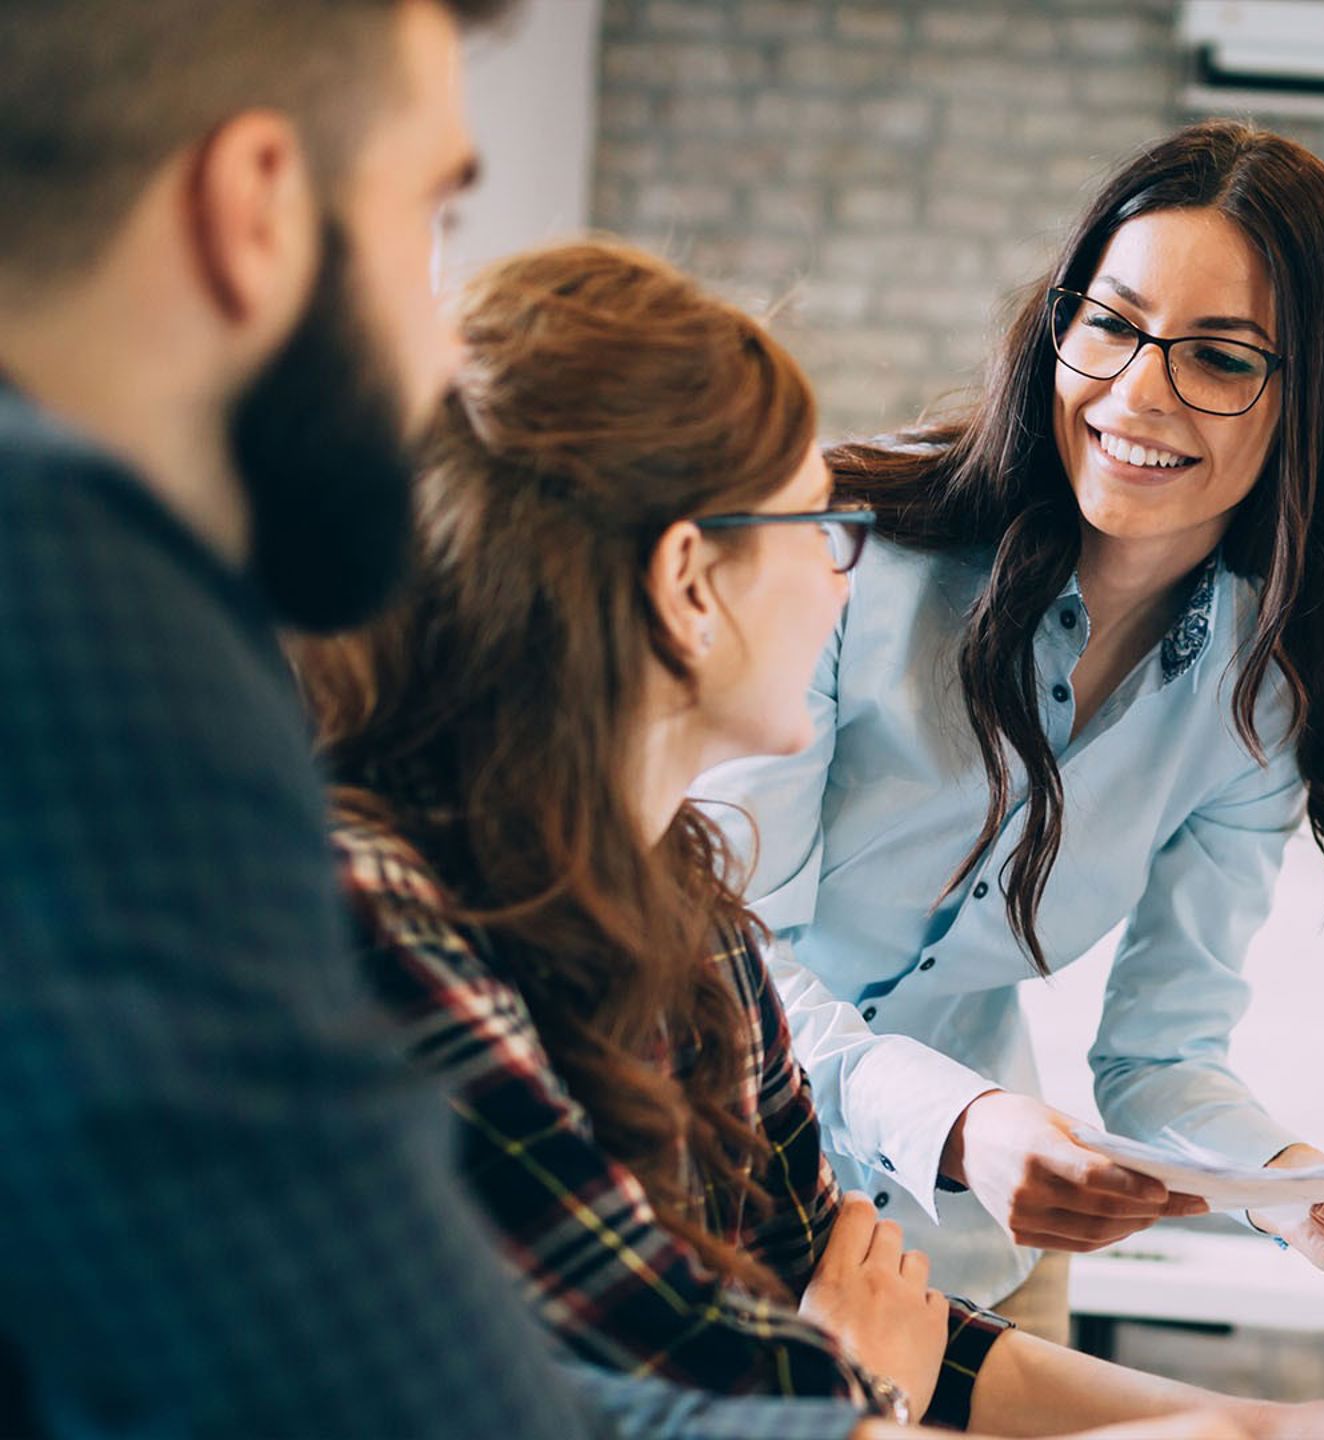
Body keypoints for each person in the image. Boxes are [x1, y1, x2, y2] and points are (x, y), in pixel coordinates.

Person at [301, 237, 1324, 1440]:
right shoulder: (395, 943)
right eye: (815, 524)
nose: (845, 564)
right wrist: (857, 1380)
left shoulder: (698, 935)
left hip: (936, 1292)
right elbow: (717, 1392)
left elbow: (878, 1335)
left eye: (1220, 355)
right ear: (690, 583)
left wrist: (1303, 1412)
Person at [0, 2, 884, 1435]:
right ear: (258, 209)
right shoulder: (85, 608)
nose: (442, 378)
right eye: (432, 219)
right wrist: (848, 1386)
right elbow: (423, 1398)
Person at [700, 120, 1324, 1335]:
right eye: (1108, 323)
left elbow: (1160, 1056)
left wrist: (1290, 1191)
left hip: (968, 1267)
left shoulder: (1258, 696)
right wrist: (960, 1123)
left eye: (1219, 358)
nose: (1136, 394)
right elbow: (727, 961)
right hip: (708, 1213)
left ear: (1304, 403)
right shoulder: (846, 554)